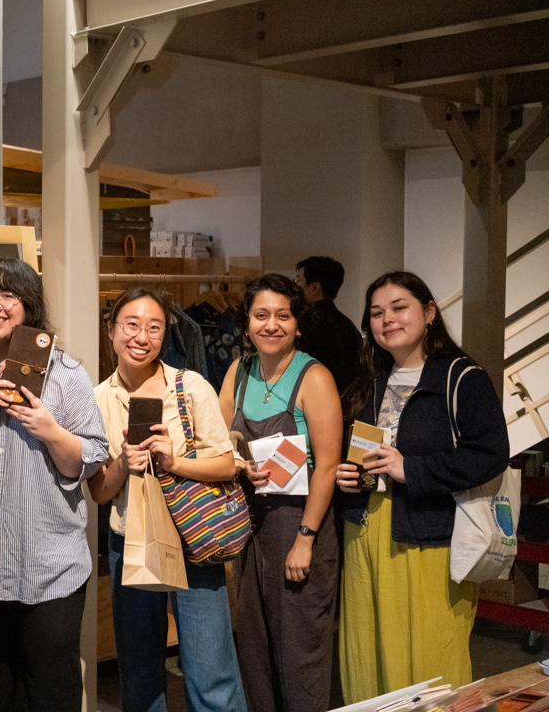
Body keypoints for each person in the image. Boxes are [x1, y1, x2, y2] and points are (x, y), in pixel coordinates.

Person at [0, 257, 108, 712]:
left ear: (28, 305)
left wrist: (51, 431)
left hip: (48, 564)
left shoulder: (65, 373)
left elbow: (90, 459)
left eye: (8, 295)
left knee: (51, 689)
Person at [336, 271, 509, 702]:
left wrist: (411, 469)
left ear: (429, 312)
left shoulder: (461, 377)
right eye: (377, 313)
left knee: (430, 655)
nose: (387, 320)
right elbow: (359, 451)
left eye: (399, 308)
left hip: (429, 536)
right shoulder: (369, 380)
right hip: (364, 532)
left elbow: (489, 454)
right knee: (366, 651)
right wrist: (348, 477)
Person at [88, 287, 247, 712]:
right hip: (129, 540)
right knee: (139, 671)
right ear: (111, 330)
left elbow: (226, 465)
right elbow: (100, 491)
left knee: (210, 669)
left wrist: (174, 462)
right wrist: (123, 464)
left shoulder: (189, 386)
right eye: (132, 325)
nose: (142, 336)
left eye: (154, 327)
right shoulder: (98, 399)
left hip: (193, 537)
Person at [218, 273, 342, 712]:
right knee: (255, 646)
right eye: (261, 315)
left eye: (283, 316)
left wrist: (305, 540)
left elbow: (327, 465)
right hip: (250, 526)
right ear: (247, 322)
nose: (271, 325)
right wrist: (239, 464)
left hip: (299, 524)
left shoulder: (315, 377)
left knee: (300, 651)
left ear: (298, 324)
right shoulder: (239, 370)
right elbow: (220, 441)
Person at [295, 256, 363, 396]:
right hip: (347, 402)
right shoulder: (349, 326)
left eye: (298, 280)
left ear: (315, 287)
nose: (295, 286)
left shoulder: (304, 323)